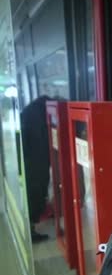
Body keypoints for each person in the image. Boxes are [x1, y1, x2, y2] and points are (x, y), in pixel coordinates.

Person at [20, 95, 52, 243]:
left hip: (31, 163)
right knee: (37, 194)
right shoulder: (39, 113)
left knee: (34, 194)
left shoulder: (27, 112)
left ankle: (31, 228)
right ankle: (31, 231)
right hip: (37, 163)